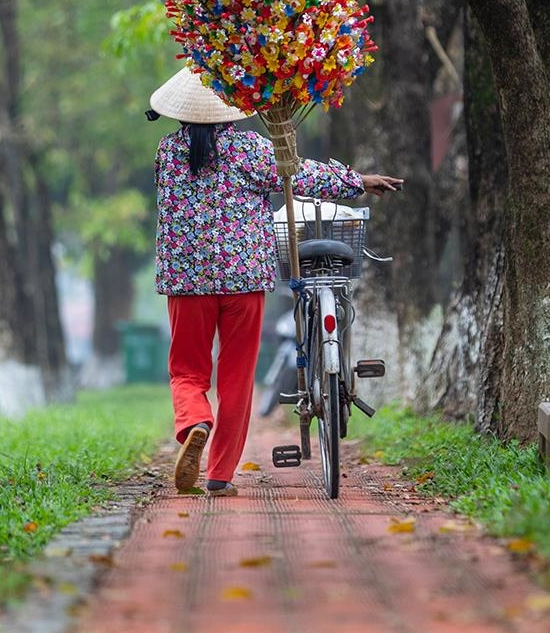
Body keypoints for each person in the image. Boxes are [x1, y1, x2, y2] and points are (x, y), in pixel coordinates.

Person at [148, 66, 400, 494]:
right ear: (230, 106)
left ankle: (195, 422)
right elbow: (299, 174)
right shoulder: (250, 149)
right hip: (244, 279)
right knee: (237, 378)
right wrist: (357, 181)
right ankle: (220, 475)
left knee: (188, 370)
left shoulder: (167, 152)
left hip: (187, 281)